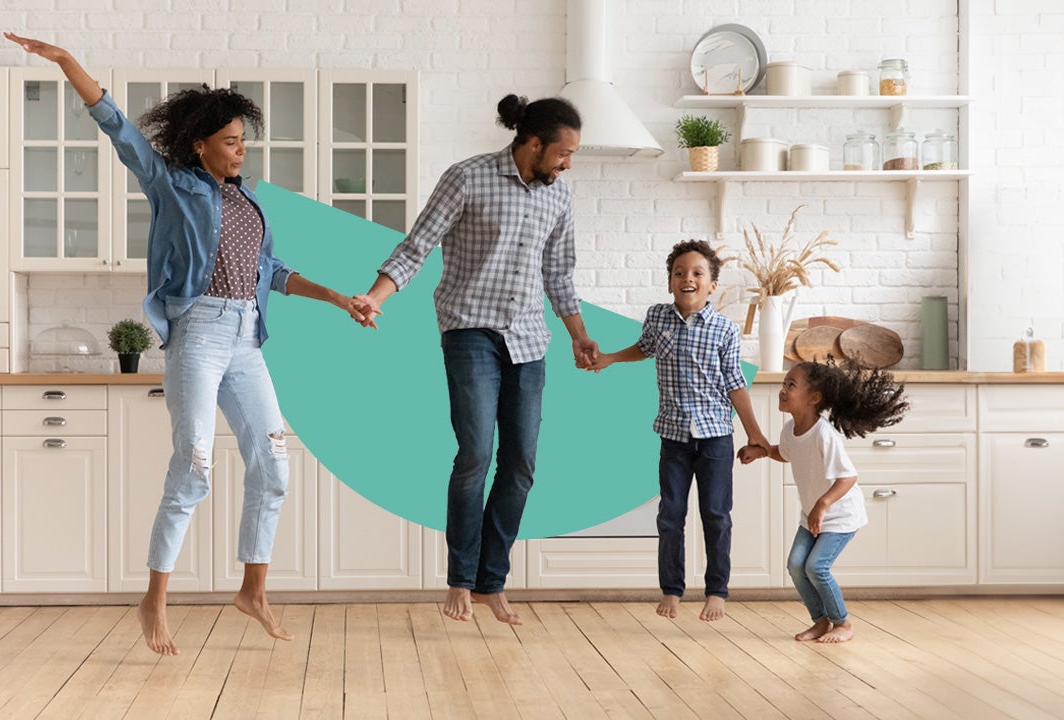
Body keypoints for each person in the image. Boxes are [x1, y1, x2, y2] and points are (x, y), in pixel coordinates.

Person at [6, 33, 371, 656]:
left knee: (274, 465)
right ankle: (155, 601)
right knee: (193, 468)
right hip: (199, 335)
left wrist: (338, 298)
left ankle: (253, 589)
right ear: (200, 144)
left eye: (243, 140)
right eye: (230, 141)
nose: (240, 149)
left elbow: (272, 271)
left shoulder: (249, 200)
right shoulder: (171, 183)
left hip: (246, 338)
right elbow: (119, 128)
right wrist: (69, 64)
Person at [350, 94, 598, 626]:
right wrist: (375, 296)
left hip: (529, 339)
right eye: (563, 152)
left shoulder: (559, 197)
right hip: (469, 331)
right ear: (533, 143)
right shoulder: (467, 178)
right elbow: (416, 247)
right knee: (475, 455)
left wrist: (578, 335)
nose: (568, 163)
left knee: (522, 465)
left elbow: (559, 274)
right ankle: (461, 579)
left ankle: (492, 582)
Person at [588, 240, 770, 621]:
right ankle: (672, 589)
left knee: (716, 514)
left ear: (712, 285)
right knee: (670, 515)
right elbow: (644, 347)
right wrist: (608, 359)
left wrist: (755, 435)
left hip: (716, 437)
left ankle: (717, 591)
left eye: (697, 273)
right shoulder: (658, 317)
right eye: (679, 273)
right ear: (670, 282)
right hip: (673, 436)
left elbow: (735, 382)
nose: (688, 278)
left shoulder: (723, 329)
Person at [738, 360, 908, 643]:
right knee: (795, 565)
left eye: (790, 385)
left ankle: (843, 623)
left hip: (840, 517)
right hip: (813, 515)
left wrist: (822, 505)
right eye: (784, 384)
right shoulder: (790, 429)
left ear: (814, 398)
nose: (783, 390)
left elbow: (848, 478)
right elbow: (788, 452)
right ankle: (821, 621)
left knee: (816, 566)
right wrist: (763, 451)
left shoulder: (824, 435)